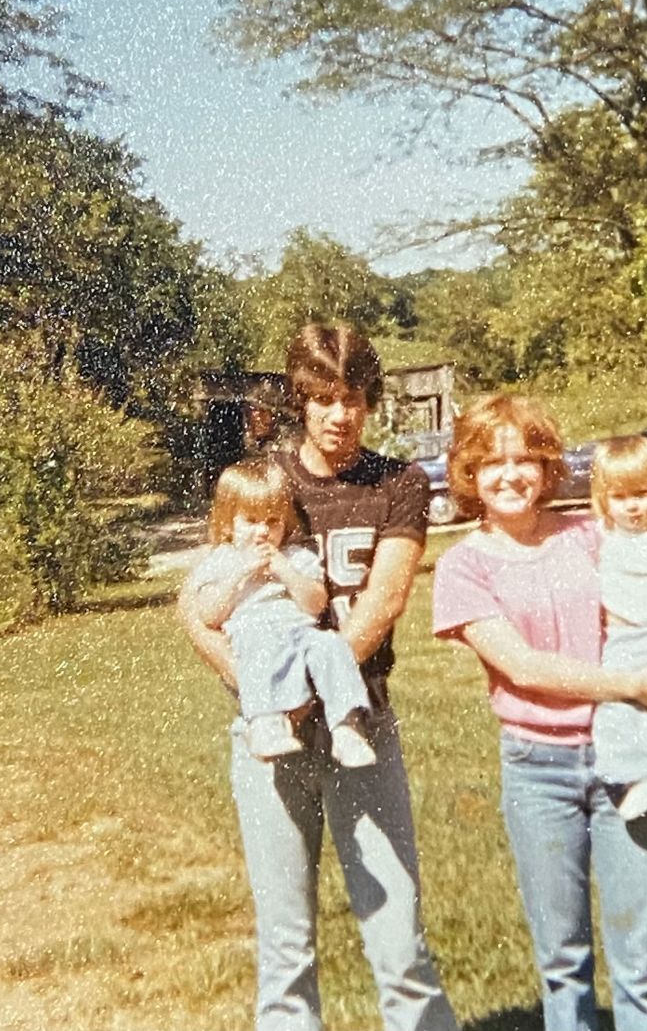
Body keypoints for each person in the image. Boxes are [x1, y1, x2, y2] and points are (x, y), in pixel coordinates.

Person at [179, 323, 457, 1031]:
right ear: (301, 400)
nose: (341, 415)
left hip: (359, 722)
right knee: (285, 946)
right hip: (268, 734)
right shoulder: (269, 480)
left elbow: (385, 599)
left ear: (370, 399)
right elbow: (195, 603)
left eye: (354, 397)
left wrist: (312, 696)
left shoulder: (397, 482)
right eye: (325, 399)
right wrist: (257, 688)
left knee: (398, 939)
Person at [431, 394, 647, 1031]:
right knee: (564, 959)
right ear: (469, 475)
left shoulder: (590, 537)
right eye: (491, 461)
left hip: (627, 757)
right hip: (538, 770)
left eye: (526, 459)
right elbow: (524, 668)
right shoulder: (462, 568)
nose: (510, 474)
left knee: (641, 959)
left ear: (549, 469)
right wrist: (633, 683)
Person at [182, 457, 374, 765]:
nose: (263, 532)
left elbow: (315, 604)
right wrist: (240, 574)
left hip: (300, 632)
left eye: (272, 521)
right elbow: (208, 614)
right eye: (251, 520)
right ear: (229, 523)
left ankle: (347, 728)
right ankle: (264, 724)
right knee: (260, 652)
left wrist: (285, 571)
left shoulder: (295, 556)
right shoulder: (223, 560)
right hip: (253, 632)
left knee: (331, 646)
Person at [588, 435, 647, 822]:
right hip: (625, 631)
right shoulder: (606, 535)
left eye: (642, 493)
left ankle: (644, 772)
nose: (632, 506)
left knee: (617, 701)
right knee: (626, 702)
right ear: (603, 499)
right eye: (620, 496)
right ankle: (633, 772)